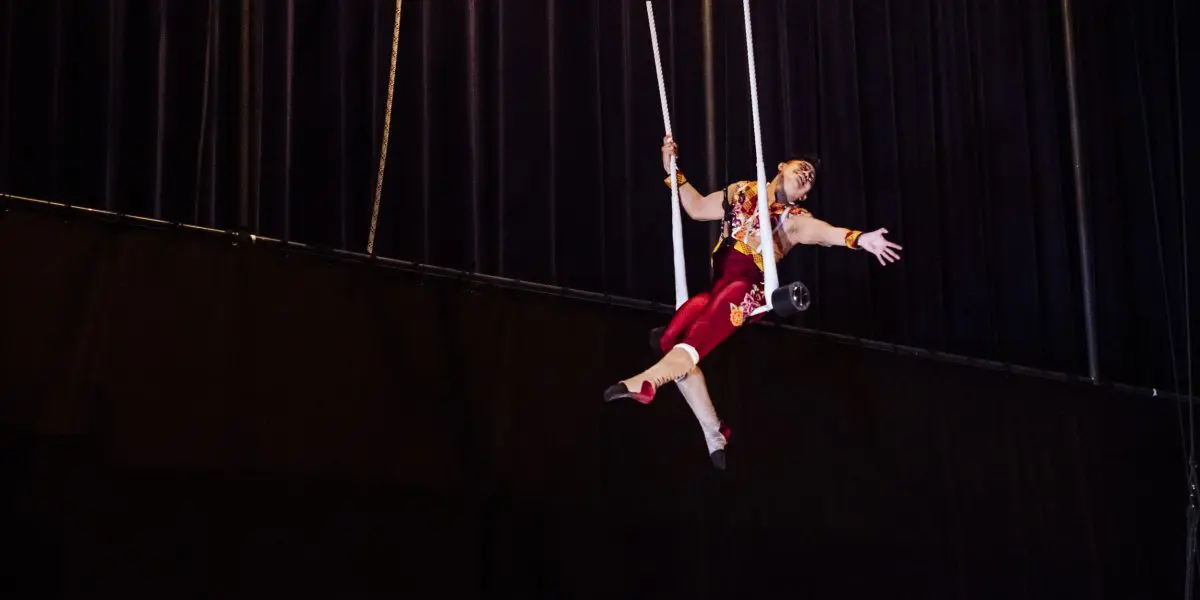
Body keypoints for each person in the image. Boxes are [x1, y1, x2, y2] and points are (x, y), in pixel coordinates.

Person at [604, 135, 903, 469]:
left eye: (810, 179)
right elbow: (697, 208)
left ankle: (647, 382)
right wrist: (673, 172)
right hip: (717, 289)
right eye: (801, 167)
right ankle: (714, 429)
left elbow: (822, 231)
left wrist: (859, 239)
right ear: (781, 167)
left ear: (803, 195)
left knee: (697, 334)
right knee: (670, 337)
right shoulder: (741, 191)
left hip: (747, 293)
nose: (806, 174)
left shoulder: (793, 219)